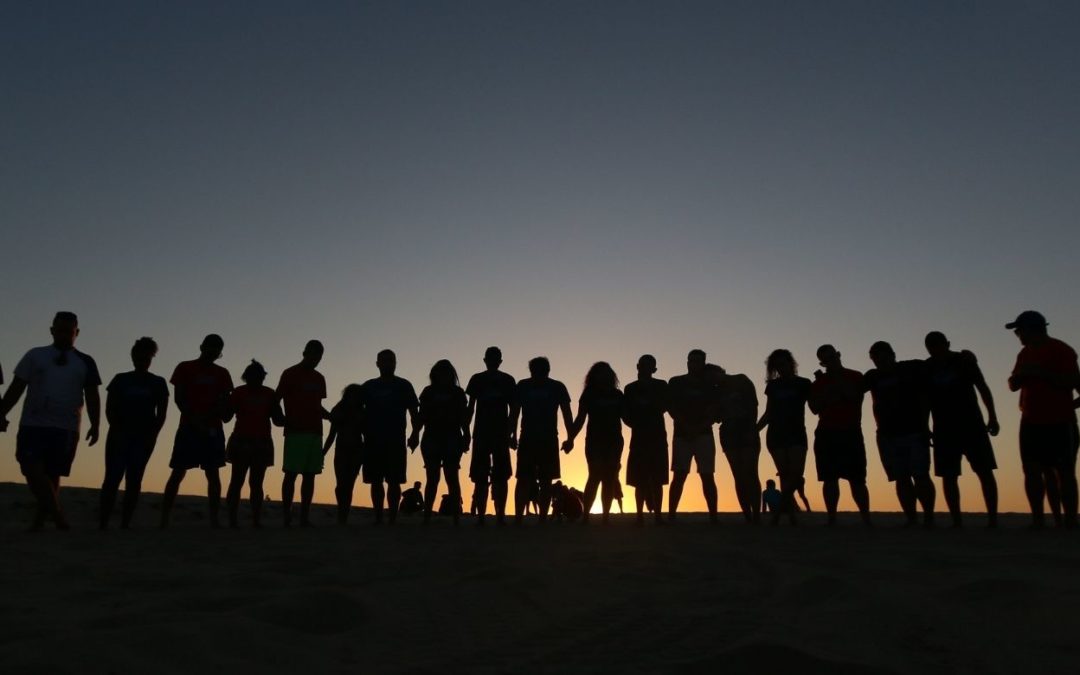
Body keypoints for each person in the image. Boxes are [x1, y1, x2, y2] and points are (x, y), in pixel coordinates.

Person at [0, 312, 101, 531]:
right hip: (33, 423)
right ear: (52, 330)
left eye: (69, 331)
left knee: (53, 474)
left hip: (66, 426)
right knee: (30, 466)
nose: (64, 334)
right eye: (60, 330)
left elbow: (92, 395)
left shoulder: (85, 361)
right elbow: (17, 387)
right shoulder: (35, 355)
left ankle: (39, 522)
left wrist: (96, 424)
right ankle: (58, 516)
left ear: (77, 333)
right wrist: (2, 411)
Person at [1006, 311, 1080, 529]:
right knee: (1031, 470)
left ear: (1031, 330)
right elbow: (1012, 385)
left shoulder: (1061, 351)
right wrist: (1019, 377)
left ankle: (1069, 520)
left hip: (1060, 421)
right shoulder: (1024, 353)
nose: (1018, 335)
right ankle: (1038, 518)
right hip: (1030, 420)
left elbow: (1073, 383)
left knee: (1064, 471)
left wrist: (1041, 373)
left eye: (1019, 331)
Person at [924, 331, 1001, 528]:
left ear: (947, 343)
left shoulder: (964, 361)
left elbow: (982, 387)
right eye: (931, 346)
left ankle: (993, 518)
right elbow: (923, 401)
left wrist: (992, 415)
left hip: (972, 424)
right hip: (944, 428)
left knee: (984, 471)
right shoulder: (926, 368)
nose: (935, 349)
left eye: (938, 345)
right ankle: (956, 521)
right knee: (948, 475)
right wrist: (926, 427)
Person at [161, 334, 233, 528]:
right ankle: (164, 519)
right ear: (202, 346)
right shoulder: (185, 368)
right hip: (189, 428)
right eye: (210, 347)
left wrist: (216, 415)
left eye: (217, 349)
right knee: (178, 472)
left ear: (219, 353)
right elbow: (179, 399)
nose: (212, 351)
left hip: (213, 429)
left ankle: (214, 520)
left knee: (213, 475)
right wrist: (195, 420)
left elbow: (225, 402)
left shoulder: (223, 374)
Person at [864, 341, 936, 527]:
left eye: (883, 356)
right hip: (887, 435)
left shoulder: (910, 367)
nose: (880, 361)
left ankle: (928, 517)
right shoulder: (873, 376)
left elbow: (935, 362)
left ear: (892, 354)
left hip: (914, 430)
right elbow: (853, 387)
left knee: (921, 475)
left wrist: (964, 355)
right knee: (901, 478)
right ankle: (911, 518)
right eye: (875, 358)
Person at [100, 337, 168, 529]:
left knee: (134, 479)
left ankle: (125, 523)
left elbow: (161, 414)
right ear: (132, 356)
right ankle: (103, 522)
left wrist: (152, 435)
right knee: (112, 478)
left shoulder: (158, 383)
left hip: (143, 437)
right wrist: (117, 429)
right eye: (138, 355)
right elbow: (110, 408)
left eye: (146, 356)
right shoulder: (120, 380)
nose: (142, 360)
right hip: (119, 435)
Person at [808, 344, 871, 526]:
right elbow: (814, 407)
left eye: (832, 357)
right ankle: (832, 518)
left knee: (857, 478)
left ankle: (866, 518)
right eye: (826, 360)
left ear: (838, 355)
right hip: (827, 432)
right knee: (829, 478)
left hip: (850, 431)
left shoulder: (854, 376)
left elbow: (854, 396)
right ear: (822, 362)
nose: (830, 362)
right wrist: (829, 391)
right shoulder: (819, 383)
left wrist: (833, 385)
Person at [509, 357, 573, 523]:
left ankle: (540, 518)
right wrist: (512, 434)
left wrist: (570, 438)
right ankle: (519, 517)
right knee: (524, 478)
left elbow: (567, 413)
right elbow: (514, 413)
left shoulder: (557, 387)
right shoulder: (523, 386)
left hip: (548, 439)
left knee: (544, 480)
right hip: (529, 438)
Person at [360, 349, 419, 524]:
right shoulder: (368, 386)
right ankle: (379, 517)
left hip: (396, 440)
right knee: (375, 481)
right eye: (384, 361)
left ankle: (392, 518)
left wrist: (415, 434)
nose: (388, 364)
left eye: (391, 361)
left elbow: (414, 412)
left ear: (395, 363)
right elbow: (355, 407)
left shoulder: (404, 385)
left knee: (394, 481)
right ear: (377, 364)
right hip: (373, 440)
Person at [223, 360, 284, 528]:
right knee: (238, 481)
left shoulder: (268, 394)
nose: (257, 380)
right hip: (243, 440)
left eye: (259, 377)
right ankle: (234, 520)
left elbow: (278, 420)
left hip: (260, 442)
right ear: (247, 377)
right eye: (254, 377)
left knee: (254, 483)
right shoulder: (238, 393)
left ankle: (255, 520)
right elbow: (226, 416)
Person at [408, 359, 470, 525]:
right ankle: (427, 515)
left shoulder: (458, 393)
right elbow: (421, 416)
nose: (443, 376)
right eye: (440, 372)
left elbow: (464, 417)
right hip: (431, 438)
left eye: (446, 372)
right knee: (432, 478)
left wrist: (467, 435)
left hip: (452, 437)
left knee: (452, 477)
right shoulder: (428, 392)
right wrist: (414, 434)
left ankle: (456, 517)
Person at [564, 362, 625, 524]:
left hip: (614, 441)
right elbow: (580, 419)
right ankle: (586, 517)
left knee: (610, 478)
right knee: (594, 477)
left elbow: (627, 417)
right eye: (600, 373)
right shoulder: (589, 394)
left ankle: (605, 517)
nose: (603, 376)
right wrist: (570, 439)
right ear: (594, 376)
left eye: (606, 373)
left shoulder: (618, 395)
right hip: (594, 441)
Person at [756, 349, 812, 525]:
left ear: (791, 363)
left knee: (796, 474)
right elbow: (769, 412)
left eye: (784, 363)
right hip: (776, 434)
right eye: (777, 365)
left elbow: (815, 406)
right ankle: (791, 516)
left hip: (796, 433)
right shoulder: (773, 386)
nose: (781, 367)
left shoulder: (803, 383)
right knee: (785, 475)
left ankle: (778, 513)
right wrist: (754, 430)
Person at [276, 340, 329, 527]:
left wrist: (330, 416)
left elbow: (317, 404)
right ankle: (286, 516)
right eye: (313, 354)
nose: (316, 359)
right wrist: (281, 419)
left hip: (315, 432)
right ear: (305, 352)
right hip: (295, 432)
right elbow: (277, 399)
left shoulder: (319, 378)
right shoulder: (289, 374)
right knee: (291, 474)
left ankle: (304, 517)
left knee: (310, 475)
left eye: (319, 356)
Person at [464, 347, 517, 526]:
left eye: (496, 359)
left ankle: (500, 516)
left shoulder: (508, 380)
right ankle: (481, 517)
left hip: (500, 435)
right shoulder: (477, 379)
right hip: (481, 434)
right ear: (485, 360)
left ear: (500, 361)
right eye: (490, 358)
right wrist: (466, 432)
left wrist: (511, 433)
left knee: (501, 477)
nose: (493, 361)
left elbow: (514, 410)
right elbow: (470, 408)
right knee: (480, 478)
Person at [666, 349, 719, 522]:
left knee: (707, 475)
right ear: (687, 362)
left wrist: (698, 428)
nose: (693, 364)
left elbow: (713, 411)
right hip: (682, 435)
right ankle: (672, 514)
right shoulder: (676, 382)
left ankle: (713, 515)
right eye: (691, 360)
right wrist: (687, 426)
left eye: (697, 361)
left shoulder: (710, 385)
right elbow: (671, 407)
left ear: (703, 363)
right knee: (679, 476)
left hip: (704, 434)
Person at [711, 364, 762, 524]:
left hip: (746, 428)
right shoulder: (716, 391)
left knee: (751, 472)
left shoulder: (741, 380)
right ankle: (747, 515)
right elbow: (716, 416)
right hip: (728, 431)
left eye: (713, 374)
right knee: (738, 474)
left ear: (720, 371)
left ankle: (756, 515)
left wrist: (751, 429)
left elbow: (753, 406)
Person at [623, 354, 670, 526]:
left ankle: (657, 515)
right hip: (639, 439)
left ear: (654, 369)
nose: (644, 369)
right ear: (637, 366)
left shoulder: (661, 385)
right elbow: (625, 414)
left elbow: (664, 406)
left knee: (657, 480)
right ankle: (639, 516)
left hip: (657, 438)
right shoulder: (630, 389)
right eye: (642, 365)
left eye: (648, 366)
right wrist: (636, 423)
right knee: (639, 481)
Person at [323, 384, 365, 525]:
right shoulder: (339, 410)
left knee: (349, 484)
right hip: (341, 450)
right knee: (341, 484)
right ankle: (342, 511)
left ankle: (343, 515)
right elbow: (331, 435)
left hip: (357, 451)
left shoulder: (362, 412)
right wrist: (323, 452)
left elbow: (366, 435)